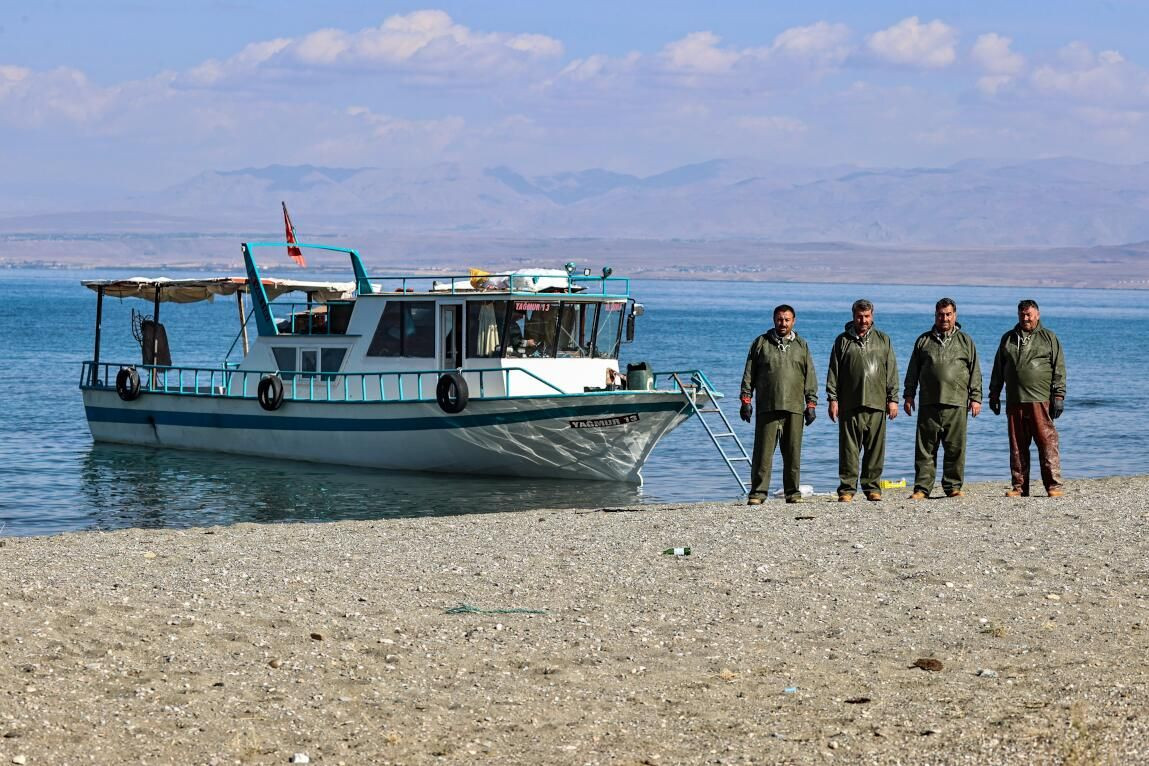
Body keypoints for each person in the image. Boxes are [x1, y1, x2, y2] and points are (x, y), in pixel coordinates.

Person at [902, 298, 983, 499]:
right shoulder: (923, 341)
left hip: (956, 403)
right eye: (940, 314)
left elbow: (975, 371)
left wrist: (976, 398)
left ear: (955, 315)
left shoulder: (966, 341)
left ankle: (953, 487)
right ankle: (922, 488)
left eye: (948, 314)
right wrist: (909, 395)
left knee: (955, 448)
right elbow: (913, 370)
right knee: (925, 449)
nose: (944, 318)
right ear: (935, 315)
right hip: (929, 403)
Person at [739, 305, 818, 505]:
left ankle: (792, 493)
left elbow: (810, 377)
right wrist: (745, 401)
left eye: (787, 320)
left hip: (794, 408)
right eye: (779, 319)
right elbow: (749, 374)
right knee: (762, 455)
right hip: (767, 406)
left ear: (794, 321)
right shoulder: (761, 343)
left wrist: (811, 404)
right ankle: (758, 493)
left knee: (792, 454)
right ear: (774, 320)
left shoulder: (802, 345)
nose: (783, 323)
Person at [988, 299, 1066, 497]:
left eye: (1029, 314)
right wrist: (994, 393)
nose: (1025, 318)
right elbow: (998, 368)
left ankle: (1053, 486)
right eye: (1022, 315)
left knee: (1047, 443)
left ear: (1037, 315)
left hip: (1040, 400)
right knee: (1017, 446)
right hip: (1015, 401)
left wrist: (1058, 394)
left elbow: (1059, 368)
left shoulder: (1049, 338)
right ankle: (1019, 487)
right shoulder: (1008, 338)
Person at [826, 299, 899, 502]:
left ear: (872, 316)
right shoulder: (842, 341)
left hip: (877, 403)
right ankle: (847, 489)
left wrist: (893, 399)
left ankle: (872, 488)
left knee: (875, 450)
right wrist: (833, 399)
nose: (863, 320)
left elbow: (891, 371)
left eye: (867, 316)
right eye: (859, 316)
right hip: (850, 404)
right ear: (853, 316)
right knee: (849, 450)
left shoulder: (884, 340)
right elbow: (834, 372)